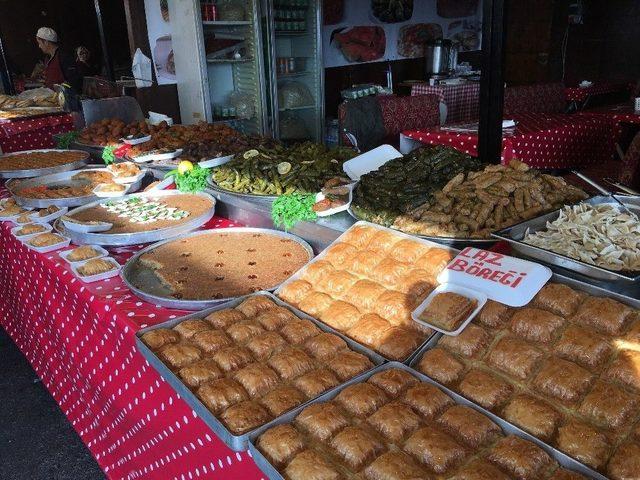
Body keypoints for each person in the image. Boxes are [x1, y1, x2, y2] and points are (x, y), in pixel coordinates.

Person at [35, 27, 80, 91]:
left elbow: (74, 81)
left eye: (39, 43)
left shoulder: (64, 57)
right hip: (53, 96)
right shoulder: (48, 58)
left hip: (64, 97)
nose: (39, 46)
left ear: (46, 42)